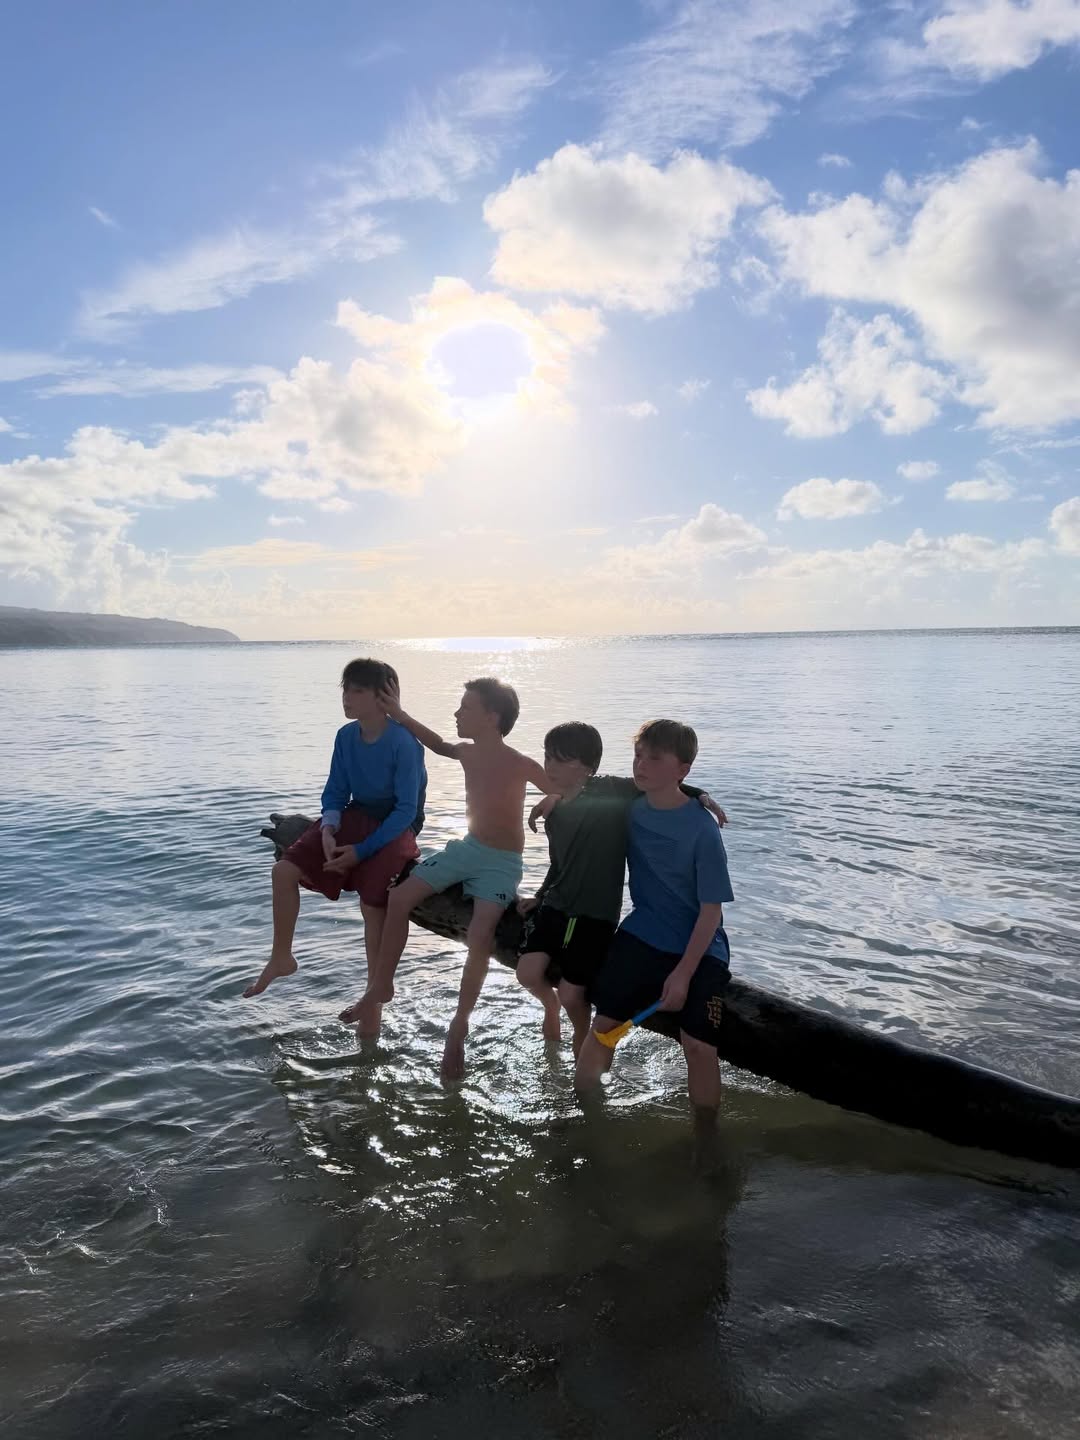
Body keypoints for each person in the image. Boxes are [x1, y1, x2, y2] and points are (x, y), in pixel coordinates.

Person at [339, 677, 555, 1079]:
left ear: (492, 717)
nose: (456, 713)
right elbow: (437, 744)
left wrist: (550, 798)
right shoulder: (466, 753)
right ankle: (382, 984)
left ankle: (459, 1025)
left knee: (480, 936)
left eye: (465, 708)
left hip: (501, 863)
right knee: (399, 898)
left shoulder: (521, 763)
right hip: (467, 850)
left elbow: (561, 789)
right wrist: (399, 714)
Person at [517, 722, 727, 1055]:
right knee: (527, 973)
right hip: (558, 905)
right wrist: (541, 895)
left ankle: (580, 1035)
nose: (550, 766)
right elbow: (559, 862)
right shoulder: (554, 813)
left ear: (587, 766)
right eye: (548, 757)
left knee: (572, 993)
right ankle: (551, 1009)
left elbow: (664, 784)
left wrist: (701, 795)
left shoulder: (612, 792)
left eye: (562, 760)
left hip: (595, 915)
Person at [575, 719, 734, 1137]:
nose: (640, 765)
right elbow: (577, 784)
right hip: (643, 933)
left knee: (698, 1045)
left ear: (681, 769)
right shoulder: (630, 808)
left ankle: (706, 1136)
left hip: (700, 945)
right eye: (638, 755)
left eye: (654, 758)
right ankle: (582, 1119)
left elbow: (711, 912)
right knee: (603, 1028)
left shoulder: (702, 829)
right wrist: (550, 802)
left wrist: (682, 974)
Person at [242, 658, 426, 1007]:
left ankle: (374, 995)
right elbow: (336, 791)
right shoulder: (345, 736)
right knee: (283, 871)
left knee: (373, 906)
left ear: (384, 696)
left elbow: (405, 810)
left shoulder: (404, 743)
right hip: (358, 813)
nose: (347, 697)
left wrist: (361, 851)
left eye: (357, 691)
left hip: (398, 824)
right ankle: (281, 957)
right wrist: (329, 826)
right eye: (345, 689)